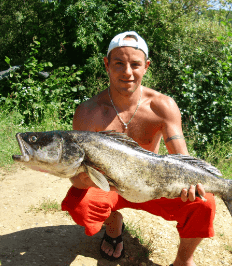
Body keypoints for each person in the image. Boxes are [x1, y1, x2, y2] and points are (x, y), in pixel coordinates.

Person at [61, 31, 216, 266]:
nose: (127, 72)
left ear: (146, 66)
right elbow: (77, 179)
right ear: (106, 64)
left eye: (135, 64)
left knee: (204, 203)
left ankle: (184, 260)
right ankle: (113, 227)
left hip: (152, 185)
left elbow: (181, 158)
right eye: (119, 63)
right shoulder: (88, 112)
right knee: (78, 204)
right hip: (109, 186)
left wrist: (191, 185)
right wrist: (84, 179)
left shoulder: (162, 106)